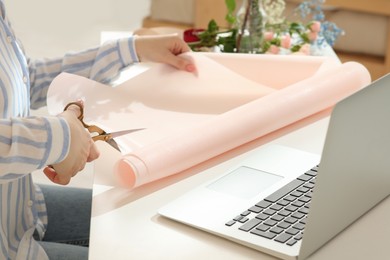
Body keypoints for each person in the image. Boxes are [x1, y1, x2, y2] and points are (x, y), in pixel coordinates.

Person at [0, 1, 196, 259]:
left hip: (19, 208)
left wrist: (130, 50)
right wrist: (60, 137)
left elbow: (27, 79)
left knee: (145, 221)